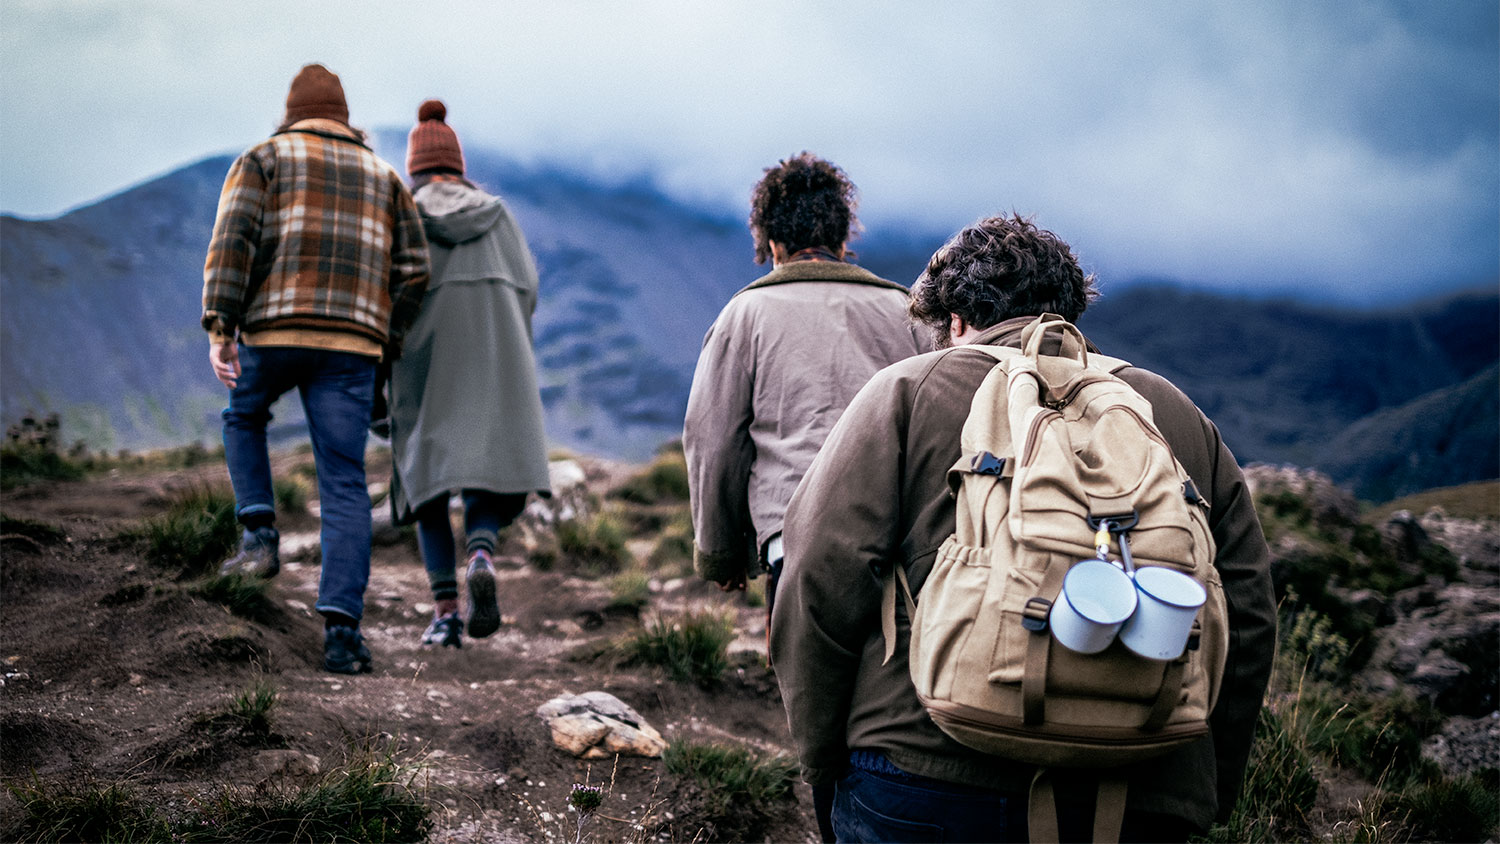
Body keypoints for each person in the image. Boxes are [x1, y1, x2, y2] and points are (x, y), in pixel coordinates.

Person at [769, 214, 1276, 842]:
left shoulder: (907, 391)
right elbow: (1249, 606)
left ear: (953, 320)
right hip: (1139, 792)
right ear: (1069, 312)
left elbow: (820, 573)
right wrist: (1206, 785)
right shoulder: (1170, 413)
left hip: (923, 777)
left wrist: (823, 757)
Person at [203, 64, 430, 675]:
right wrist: (386, 336)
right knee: (344, 480)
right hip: (351, 349)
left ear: (292, 110)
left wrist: (221, 327)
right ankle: (343, 635)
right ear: (344, 115)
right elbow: (414, 271)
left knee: (244, 416)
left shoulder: (264, 158)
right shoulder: (384, 178)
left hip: (272, 331)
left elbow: (233, 242)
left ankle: (257, 535)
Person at [683, 151, 929, 608]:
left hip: (793, 532)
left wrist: (721, 553)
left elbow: (713, 440)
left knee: (804, 677)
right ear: (841, 241)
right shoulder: (908, 313)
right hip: (896, 536)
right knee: (890, 674)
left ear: (772, 243)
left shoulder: (744, 315)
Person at [387, 99, 552, 649]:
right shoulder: (497, 213)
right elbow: (527, 284)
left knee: (426, 480)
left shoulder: (403, 213)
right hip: (493, 349)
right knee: (493, 468)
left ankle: (445, 613)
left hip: (423, 359)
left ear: (415, 168)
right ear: (457, 165)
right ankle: (480, 549)